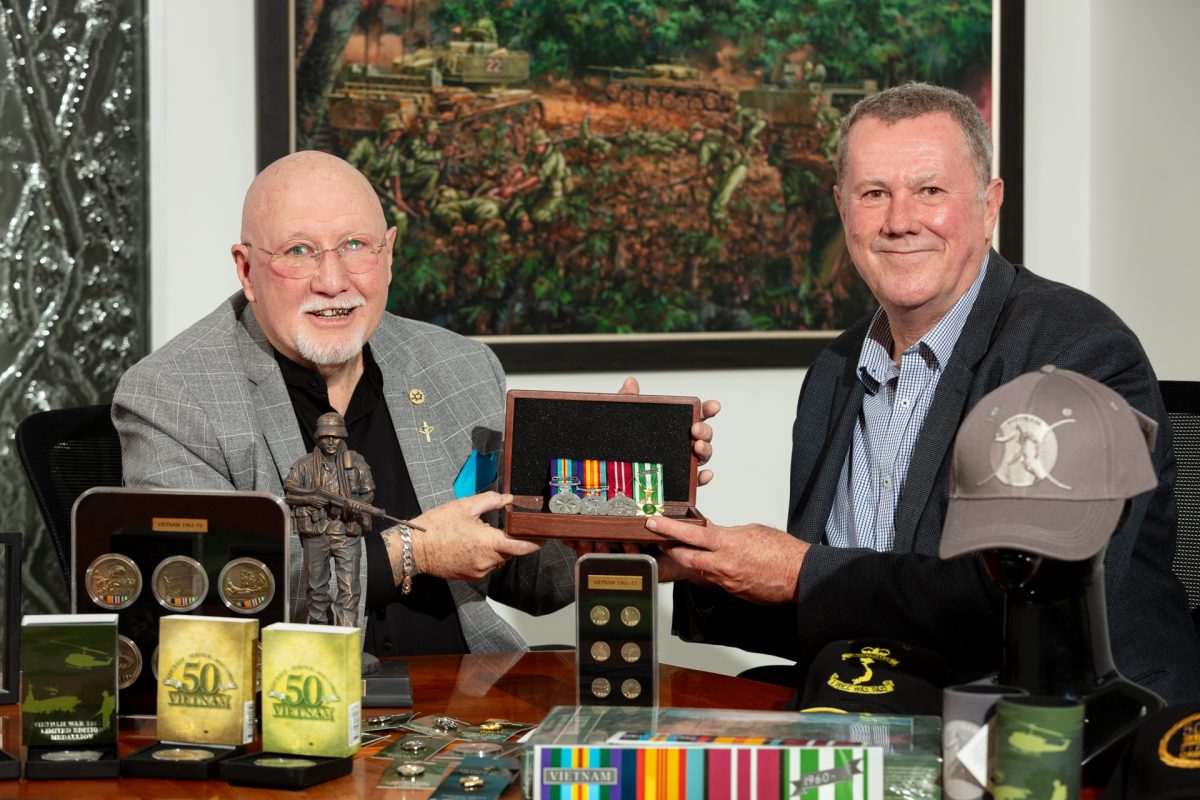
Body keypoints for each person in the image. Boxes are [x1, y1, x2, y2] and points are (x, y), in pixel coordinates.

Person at [650, 82, 1200, 703]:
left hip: (1073, 731)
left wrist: (798, 571)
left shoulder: (1074, 353)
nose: (900, 220)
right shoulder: (835, 371)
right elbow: (847, 607)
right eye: (873, 194)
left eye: (930, 191)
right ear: (842, 208)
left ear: (990, 204)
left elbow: (1019, 607)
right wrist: (698, 561)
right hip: (894, 708)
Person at [114, 150, 715, 655]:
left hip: (467, 707)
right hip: (286, 710)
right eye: (299, 251)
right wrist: (413, 551)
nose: (334, 279)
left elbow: (528, 580)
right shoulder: (172, 395)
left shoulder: (457, 366)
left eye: (356, 245)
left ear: (390, 252)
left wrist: (600, 519)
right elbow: (204, 596)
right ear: (247, 269)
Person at [284, 412, 374, 627]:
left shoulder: (356, 461)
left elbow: (368, 492)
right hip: (315, 532)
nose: (331, 441)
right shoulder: (304, 464)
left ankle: (346, 638)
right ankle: (319, 638)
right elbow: (289, 492)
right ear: (318, 437)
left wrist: (356, 503)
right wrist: (310, 498)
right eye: (326, 437)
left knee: (349, 589)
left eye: (336, 436)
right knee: (316, 589)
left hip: (347, 531)